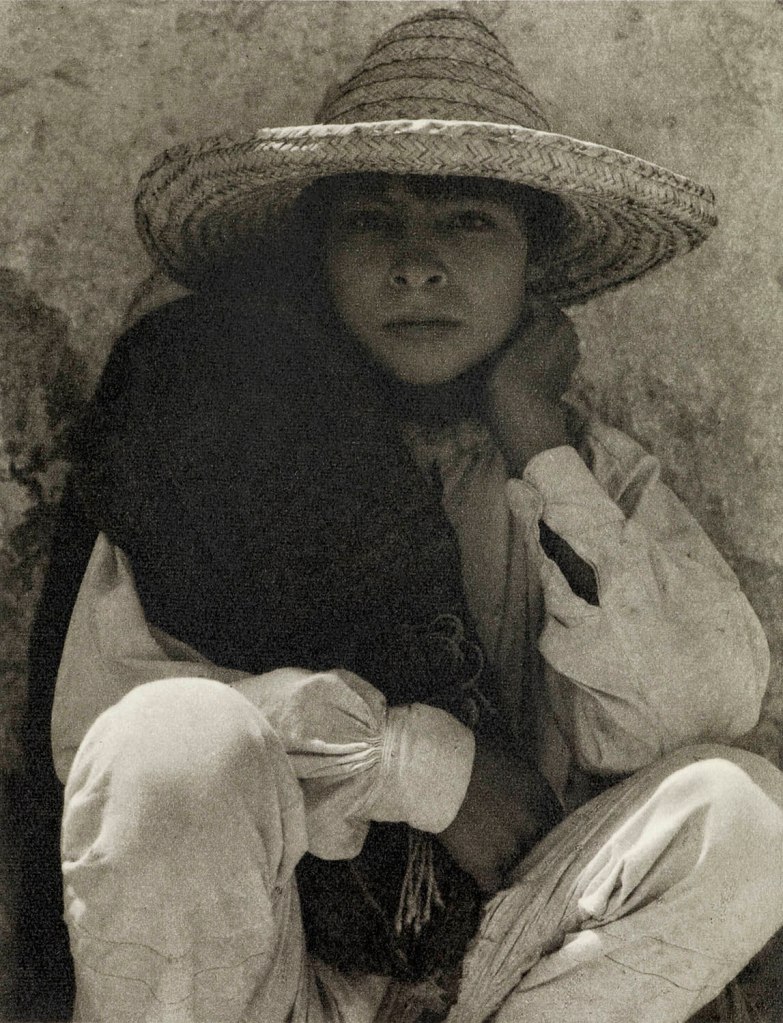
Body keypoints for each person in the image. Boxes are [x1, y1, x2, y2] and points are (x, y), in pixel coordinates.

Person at [18, 8, 783, 1023]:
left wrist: (531, 433)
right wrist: (427, 771)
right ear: (315, 257)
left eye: (470, 220)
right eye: (371, 220)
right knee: (174, 737)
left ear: (533, 269)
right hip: (261, 978)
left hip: (503, 976)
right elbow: (109, 740)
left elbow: (701, 702)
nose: (417, 263)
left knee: (742, 809)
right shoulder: (213, 446)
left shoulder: (577, 469)